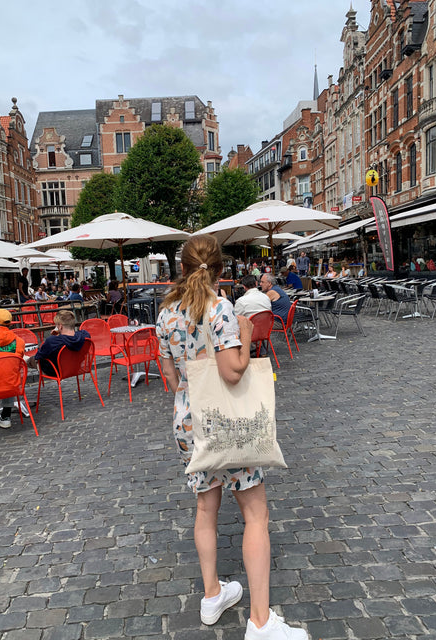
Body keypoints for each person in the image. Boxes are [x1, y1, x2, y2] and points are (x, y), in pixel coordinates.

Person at [156, 234, 307, 640]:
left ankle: (212, 596)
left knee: (206, 509)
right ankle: (260, 622)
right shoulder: (220, 308)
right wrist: (243, 334)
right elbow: (232, 372)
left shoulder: (166, 312)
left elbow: (170, 379)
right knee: (255, 514)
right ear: (219, 269)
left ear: (182, 268)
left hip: (189, 423)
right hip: (228, 423)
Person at [27, 310, 90, 376]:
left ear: (60, 326)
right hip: (75, 368)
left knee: (34, 359)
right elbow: (78, 333)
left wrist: (56, 335)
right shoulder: (84, 336)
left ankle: (25, 360)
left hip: (56, 371)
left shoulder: (52, 341)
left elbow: (39, 356)